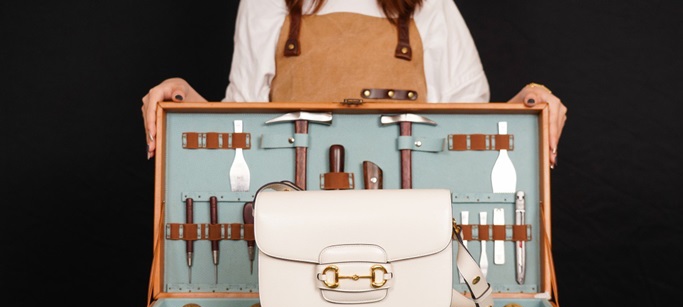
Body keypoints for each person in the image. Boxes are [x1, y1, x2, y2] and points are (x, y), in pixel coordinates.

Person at [142, 0, 566, 167]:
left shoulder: (429, 5)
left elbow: (468, 132)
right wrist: (183, 99)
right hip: (290, 220)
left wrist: (529, 102)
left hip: (409, 223)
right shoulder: (266, 3)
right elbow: (241, 124)